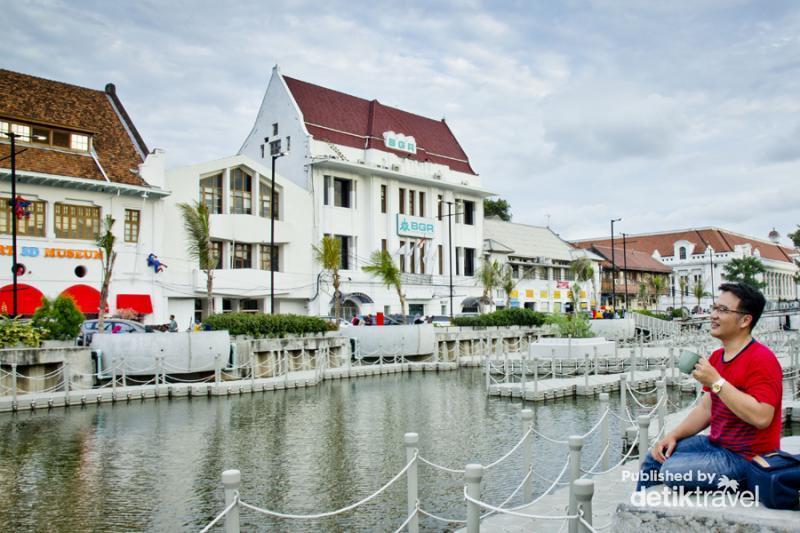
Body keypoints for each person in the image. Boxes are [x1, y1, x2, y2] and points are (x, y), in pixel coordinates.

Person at [636, 282, 781, 492]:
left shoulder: (762, 359)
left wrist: (716, 382)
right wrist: (673, 435)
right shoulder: (717, 357)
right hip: (717, 445)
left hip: (747, 458)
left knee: (670, 470)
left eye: (722, 310)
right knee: (655, 457)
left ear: (745, 320)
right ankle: (641, 513)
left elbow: (762, 417)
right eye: (714, 307)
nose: (713, 315)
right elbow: (706, 409)